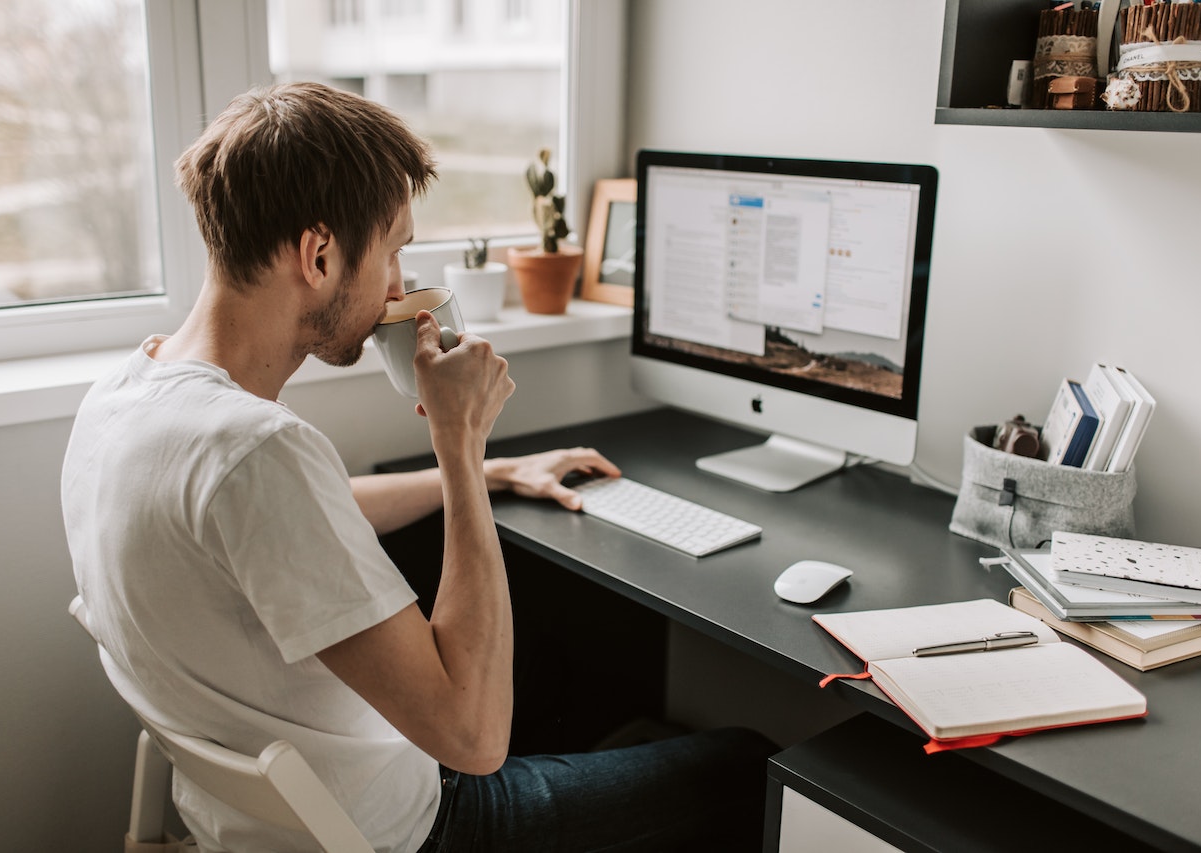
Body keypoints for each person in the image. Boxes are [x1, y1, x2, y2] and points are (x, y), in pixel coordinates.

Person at [62, 81, 773, 852]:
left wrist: (493, 473)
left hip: (249, 820)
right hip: (412, 830)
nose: (398, 287)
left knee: (548, 665)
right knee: (748, 764)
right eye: (394, 250)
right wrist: (461, 448)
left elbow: (285, 521)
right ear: (320, 254)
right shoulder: (258, 450)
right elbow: (473, 740)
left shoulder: (124, 396)